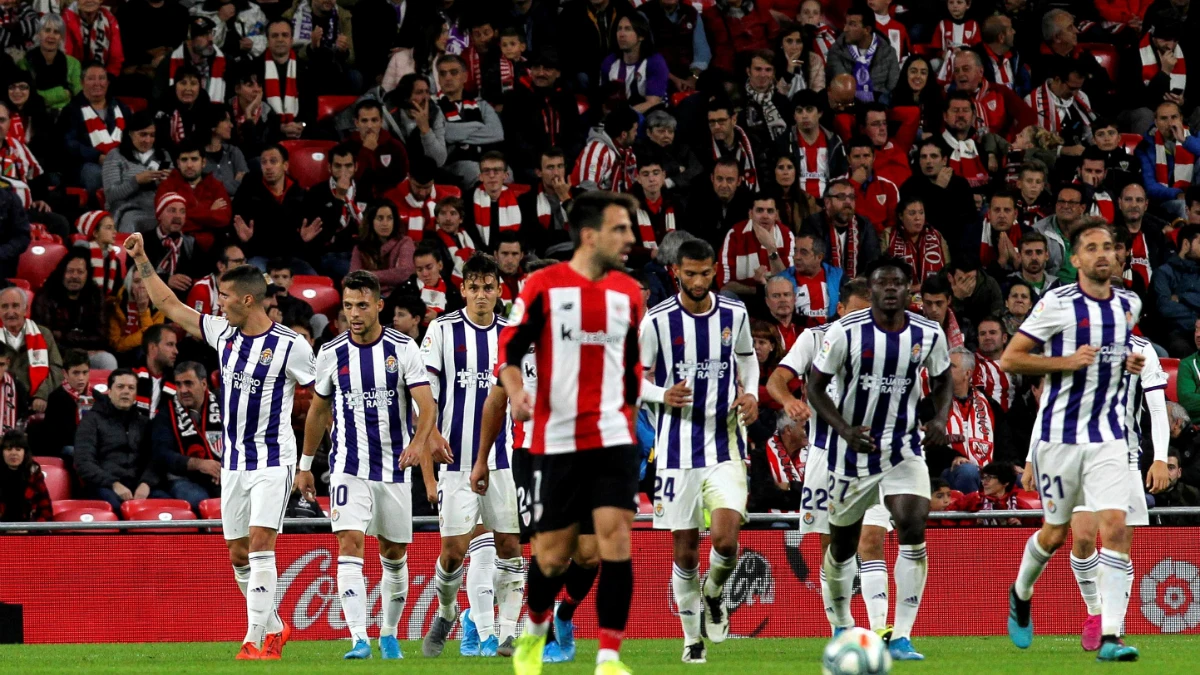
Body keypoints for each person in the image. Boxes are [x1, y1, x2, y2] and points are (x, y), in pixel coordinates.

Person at [122, 232, 316, 660]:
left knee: (262, 542)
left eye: (224, 295)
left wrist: (307, 461)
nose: (217, 302)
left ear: (248, 301)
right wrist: (141, 259)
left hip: (273, 460)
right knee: (238, 552)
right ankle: (277, 625)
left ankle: (253, 640)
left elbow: (322, 397)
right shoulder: (222, 333)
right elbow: (170, 306)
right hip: (234, 463)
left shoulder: (291, 346)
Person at [499, 191, 644, 674]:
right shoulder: (543, 286)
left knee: (613, 540)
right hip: (555, 440)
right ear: (589, 235)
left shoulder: (630, 293)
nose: (630, 238)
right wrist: (517, 391)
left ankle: (608, 658)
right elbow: (511, 350)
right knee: (553, 557)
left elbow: (628, 369)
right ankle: (534, 631)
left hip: (613, 435)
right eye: (620, 228)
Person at [998, 220, 1145, 661]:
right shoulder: (1057, 304)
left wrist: (1128, 363)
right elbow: (1010, 359)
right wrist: (1066, 361)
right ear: (1076, 260)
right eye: (1092, 248)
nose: (1103, 254)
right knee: (1055, 534)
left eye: (1109, 247)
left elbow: (1113, 353)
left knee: (1115, 528)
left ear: (1118, 256)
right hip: (1059, 438)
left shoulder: (1129, 304)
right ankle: (1021, 593)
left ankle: (1112, 636)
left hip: (1109, 436)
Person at [807, 256, 953, 661]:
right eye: (882, 283)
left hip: (903, 447)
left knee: (912, 523)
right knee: (841, 547)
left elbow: (942, 379)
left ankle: (902, 635)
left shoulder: (928, 332)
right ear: (870, 289)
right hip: (851, 453)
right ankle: (840, 622)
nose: (890, 289)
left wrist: (939, 417)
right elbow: (815, 388)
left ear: (910, 289)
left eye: (898, 283)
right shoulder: (845, 332)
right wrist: (844, 430)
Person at [295, 270, 444, 660]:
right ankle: (359, 637)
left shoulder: (404, 348)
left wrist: (416, 443)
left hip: (394, 469)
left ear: (379, 305)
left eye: (362, 305)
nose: (354, 313)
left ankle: (390, 632)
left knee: (394, 555)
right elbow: (317, 411)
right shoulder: (330, 353)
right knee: (350, 542)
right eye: (347, 306)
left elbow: (427, 406)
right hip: (348, 466)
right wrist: (305, 464)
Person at [638, 238, 758, 663]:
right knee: (685, 552)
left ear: (714, 272)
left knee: (726, 541)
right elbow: (632, 380)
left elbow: (747, 359)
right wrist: (660, 394)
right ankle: (692, 639)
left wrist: (752, 393)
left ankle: (713, 595)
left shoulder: (734, 313)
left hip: (725, 444)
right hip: (674, 453)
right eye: (689, 273)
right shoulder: (656, 321)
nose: (697, 281)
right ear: (676, 272)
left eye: (705, 273)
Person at [420, 254, 524, 659]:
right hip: (455, 461)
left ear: (500, 291)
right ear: (461, 289)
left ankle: (508, 634)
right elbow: (423, 393)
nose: (481, 295)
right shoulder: (442, 330)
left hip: (503, 460)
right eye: (474, 287)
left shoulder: (514, 336)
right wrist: (431, 434)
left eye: (488, 287)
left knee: (510, 546)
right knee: (453, 552)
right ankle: (447, 611)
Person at [1051, 329, 1169, 652]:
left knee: (1117, 546)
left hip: (1125, 460)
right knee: (1084, 539)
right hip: (1081, 457)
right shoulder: (1078, 347)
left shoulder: (1142, 350)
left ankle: (1111, 631)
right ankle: (1095, 610)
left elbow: (1157, 409)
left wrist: (1159, 458)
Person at [73, 368, 169, 514]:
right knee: (116, 509)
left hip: (139, 487)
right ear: (110, 391)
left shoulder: (145, 423)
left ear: (136, 393)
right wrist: (113, 484)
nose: (126, 391)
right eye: (120, 387)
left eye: (131, 388)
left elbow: (156, 459)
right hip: (103, 486)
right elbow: (83, 462)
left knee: (168, 507)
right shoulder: (91, 420)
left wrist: (146, 484)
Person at [151, 360, 223, 510]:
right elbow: (161, 454)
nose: (183, 390)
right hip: (184, 478)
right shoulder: (166, 413)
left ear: (204, 384)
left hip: (226, 474)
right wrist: (198, 464)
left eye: (188, 383)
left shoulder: (225, 405)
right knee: (199, 501)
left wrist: (228, 469)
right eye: (178, 384)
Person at [31, 249, 116, 370]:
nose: (75, 276)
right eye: (70, 271)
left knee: (108, 361)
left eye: (80, 272)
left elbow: (102, 336)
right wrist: (70, 350)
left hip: (86, 354)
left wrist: (64, 336)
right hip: (55, 354)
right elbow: (43, 336)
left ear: (87, 274)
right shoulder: (45, 295)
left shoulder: (95, 295)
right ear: (62, 273)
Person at [61, 63, 132, 192]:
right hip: (86, 164)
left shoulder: (121, 108)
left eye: (101, 78)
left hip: (121, 160)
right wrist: (98, 157)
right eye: (91, 78)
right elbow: (69, 144)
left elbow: (133, 135)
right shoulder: (71, 110)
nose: (97, 83)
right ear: (82, 82)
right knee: (98, 175)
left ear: (107, 82)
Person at [437, 54, 505, 189]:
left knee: (508, 173)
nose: (448, 78)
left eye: (454, 72)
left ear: (465, 76)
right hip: (450, 163)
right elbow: (446, 133)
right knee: (474, 170)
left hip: (483, 159)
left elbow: (496, 133)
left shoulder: (481, 105)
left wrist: (457, 132)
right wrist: (479, 126)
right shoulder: (433, 106)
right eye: (443, 74)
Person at [156, 139, 233, 251]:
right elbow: (168, 221)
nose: (189, 165)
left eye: (194, 159)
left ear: (203, 162)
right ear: (178, 163)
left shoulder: (216, 186)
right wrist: (209, 212)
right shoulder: (167, 186)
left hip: (214, 243)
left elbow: (224, 219)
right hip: (178, 243)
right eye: (184, 160)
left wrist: (186, 213)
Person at [300, 142, 363, 280]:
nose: (343, 171)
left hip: (362, 252)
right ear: (329, 167)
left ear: (356, 166)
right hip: (331, 254)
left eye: (348, 166)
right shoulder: (316, 194)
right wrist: (339, 198)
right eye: (338, 166)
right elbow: (324, 235)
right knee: (358, 275)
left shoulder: (365, 190)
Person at [102, 111, 172, 233]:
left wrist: (166, 183)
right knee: (131, 220)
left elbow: (174, 190)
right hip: (127, 211)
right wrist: (136, 181)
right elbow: (111, 195)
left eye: (152, 135)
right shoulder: (115, 155)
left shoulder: (164, 155)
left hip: (158, 209)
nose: (148, 140)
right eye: (143, 135)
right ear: (130, 134)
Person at [0, 286, 63, 413]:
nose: (10, 312)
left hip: (36, 401)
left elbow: (56, 368)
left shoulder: (43, 334)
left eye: (15, 306)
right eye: (4, 306)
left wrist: (41, 395)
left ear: (26, 310)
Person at [801, 179, 880, 278]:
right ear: (827, 202)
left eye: (851, 197)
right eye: (841, 197)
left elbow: (873, 263)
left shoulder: (864, 225)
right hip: (824, 285)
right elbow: (812, 263)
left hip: (858, 286)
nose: (848, 202)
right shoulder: (812, 224)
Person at [718, 193, 794, 296]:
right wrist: (759, 289)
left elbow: (790, 282)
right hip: (744, 296)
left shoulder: (786, 235)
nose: (765, 216)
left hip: (777, 297)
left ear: (776, 215)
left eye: (770, 211)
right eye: (759, 210)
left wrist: (771, 248)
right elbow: (725, 284)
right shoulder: (735, 234)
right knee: (726, 294)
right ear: (750, 213)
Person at [1137, 101, 1200, 220]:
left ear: (1181, 118)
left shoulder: (1194, 137)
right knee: (1184, 207)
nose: (1170, 123)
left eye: (1174, 117)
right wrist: (1177, 194)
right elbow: (1150, 186)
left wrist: (1184, 141)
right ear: (1155, 122)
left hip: (1196, 197)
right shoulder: (1145, 147)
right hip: (1167, 201)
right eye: (1164, 118)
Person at [826, 4, 900, 104]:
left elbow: (893, 87)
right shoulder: (836, 51)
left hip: (880, 109)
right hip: (849, 106)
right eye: (846, 24)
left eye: (852, 24)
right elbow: (843, 88)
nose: (845, 29)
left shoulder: (888, 52)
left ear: (867, 30)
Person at [1151, 224, 1200, 356]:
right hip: (1175, 333)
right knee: (1180, 348)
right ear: (1186, 244)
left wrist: (1182, 298)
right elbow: (1165, 308)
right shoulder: (1163, 272)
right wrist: (1196, 316)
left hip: (1197, 331)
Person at [518, 147, 576, 258]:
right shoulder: (526, 201)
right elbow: (530, 239)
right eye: (550, 167)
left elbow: (585, 225)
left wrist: (565, 198)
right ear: (539, 172)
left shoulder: (580, 195)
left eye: (560, 166)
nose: (556, 173)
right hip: (544, 257)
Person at [350, 200, 415, 298]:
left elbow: (404, 273)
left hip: (397, 297)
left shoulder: (405, 242)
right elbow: (354, 278)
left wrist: (367, 276)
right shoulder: (360, 247)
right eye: (380, 218)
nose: (385, 223)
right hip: (369, 298)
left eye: (389, 218)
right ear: (371, 221)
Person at [19, 14, 83, 112]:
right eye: (47, 30)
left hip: (67, 117)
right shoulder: (25, 63)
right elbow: (27, 98)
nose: (51, 36)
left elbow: (79, 96)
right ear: (39, 34)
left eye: (56, 32)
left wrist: (42, 96)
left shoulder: (73, 63)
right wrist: (64, 94)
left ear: (61, 37)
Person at [881, 196, 950, 284]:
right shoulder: (888, 235)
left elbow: (947, 269)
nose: (918, 218)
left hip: (934, 293)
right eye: (912, 213)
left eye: (921, 213)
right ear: (900, 216)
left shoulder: (936, 235)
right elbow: (882, 271)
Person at [347, 99, 409, 195]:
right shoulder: (346, 147)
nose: (369, 126)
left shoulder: (396, 147)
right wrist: (365, 152)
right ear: (356, 123)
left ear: (381, 122)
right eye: (364, 121)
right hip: (356, 200)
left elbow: (402, 181)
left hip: (389, 202)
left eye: (374, 120)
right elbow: (349, 180)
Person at [572, 105, 639, 193]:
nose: (636, 134)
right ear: (624, 134)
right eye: (635, 130)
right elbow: (588, 189)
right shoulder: (596, 150)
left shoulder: (627, 152)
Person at [465, 151, 521, 254]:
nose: (491, 175)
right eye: (486, 171)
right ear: (480, 176)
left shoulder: (520, 201)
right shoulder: (468, 200)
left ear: (506, 175)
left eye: (496, 170)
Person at [42, 349, 95, 457]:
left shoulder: (96, 396)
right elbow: (53, 437)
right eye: (76, 373)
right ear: (65, 373)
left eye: (85, 372)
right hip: (67, 447)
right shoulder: (56, 398)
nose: (81, 378)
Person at [64, 0, 125, 79]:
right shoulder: (66, 20)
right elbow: (66, 60)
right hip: (74, 79)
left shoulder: (110, 20)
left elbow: (116, 59)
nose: (89, 0)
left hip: (104, 78)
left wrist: (108, 80)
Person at [0, 431, 52, 523]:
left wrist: (29, 529)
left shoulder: (34, 475)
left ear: (25, 452)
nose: (13, 453)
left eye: (18, 449)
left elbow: (46, 513)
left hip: (29, 532)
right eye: (8, 449)